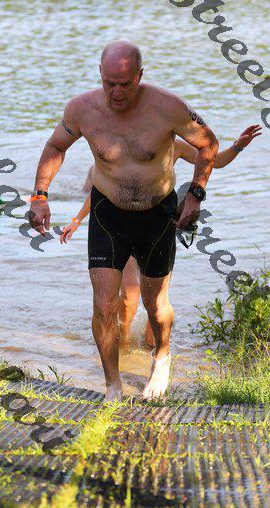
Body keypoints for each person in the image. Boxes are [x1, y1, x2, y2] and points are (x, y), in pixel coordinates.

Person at [29, 39, 219, 401]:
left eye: (125, 84)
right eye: (109, 84)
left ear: (140, 76)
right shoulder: (82, 109)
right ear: (100, 74)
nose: (117, 93)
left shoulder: (169, 107)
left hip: (157, 215)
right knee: (104, 305)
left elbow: (208, 144)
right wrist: (40, 196)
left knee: (155, 306)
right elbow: (55, 147)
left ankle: (161, 356)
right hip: (108, 213)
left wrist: (195, 194)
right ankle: (112, 385)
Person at [60, 125, 262, 348]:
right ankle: (123, 347)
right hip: (122, 226)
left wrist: (237, 147)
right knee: (128, 296)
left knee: (156, 301)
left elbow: (215, 160)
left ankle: (154, 350)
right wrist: (77, 220)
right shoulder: (126, 147)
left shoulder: (176, 146)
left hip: (158, 228)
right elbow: (102, 188)